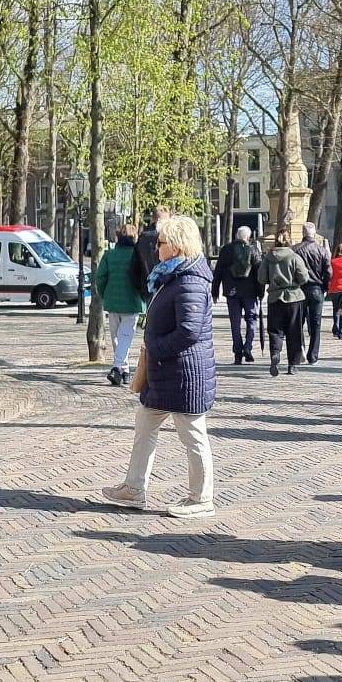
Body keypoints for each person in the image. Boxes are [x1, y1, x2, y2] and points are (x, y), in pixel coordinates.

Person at [101, 212, 216, 517]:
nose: (156, 248)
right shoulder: (172, 276)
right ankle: (134, 488)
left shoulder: (189, 281)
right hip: (165, 373)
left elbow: (189, 331)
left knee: (192, 434)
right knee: (145, 425)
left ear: (176, 247)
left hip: (183, 373)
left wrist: (155, 347)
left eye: (161, 242)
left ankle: (201, 498)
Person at [96, 224, 147, 385]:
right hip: (132, 301)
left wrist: (104, 294)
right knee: (125, 336)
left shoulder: (109, 255)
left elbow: (100, 278)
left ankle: (120, 369)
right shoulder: (138, 255)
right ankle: (120, 368)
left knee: (116, 337)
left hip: (112, 301)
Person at [258, 229, 312, 376]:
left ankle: (275, 354)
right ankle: (292, 364)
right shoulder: (294, 257)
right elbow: (304, 278)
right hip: (293, 297)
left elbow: (261, 278)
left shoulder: (268, 258)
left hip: (275, 298)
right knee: (294, 331)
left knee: (275, 330)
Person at [212, 224, 262, 364]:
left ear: (236, 236)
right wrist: (260, 291)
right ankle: (248, 346)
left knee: (235, 322)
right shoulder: (253, 250)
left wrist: (215, 291)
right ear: (249, 237)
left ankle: (237, 353)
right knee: (252, 319)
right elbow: (259, 272)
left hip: (231, 291)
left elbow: (218, 272)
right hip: (250, 292)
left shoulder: (226, 250)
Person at [299, 222, 332, 363]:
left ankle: (298, 349)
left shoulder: (295, 250)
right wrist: (325, 286)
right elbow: (329, 272)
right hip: (317, 289)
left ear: (303, 233)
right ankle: (313, 355)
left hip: (299, 289)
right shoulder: (322, 251)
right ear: (314, 233)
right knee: (316, 322)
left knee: (297, 322)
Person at [131, 206, 169, 295]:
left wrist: (141, 288)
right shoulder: (171, 238)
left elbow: (134, 267)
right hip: (168, 286)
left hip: (148, 288)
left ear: (153, 219)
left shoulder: (142, 239)